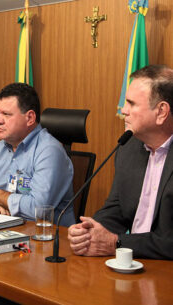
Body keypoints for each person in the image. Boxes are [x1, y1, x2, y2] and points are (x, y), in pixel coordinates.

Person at [68, 64, 173, 259]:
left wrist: (116, 243)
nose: (123, 110)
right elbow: (117, 208)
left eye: (131, 103)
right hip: (131, 262)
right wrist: (89, 231)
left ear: (161, 112)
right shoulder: (129, 147)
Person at [0, 83, 75, 226]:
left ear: (30, 118)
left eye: (6, 114)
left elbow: (38, 209)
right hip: (4, 230)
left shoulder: (50, 151)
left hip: (44, 238)